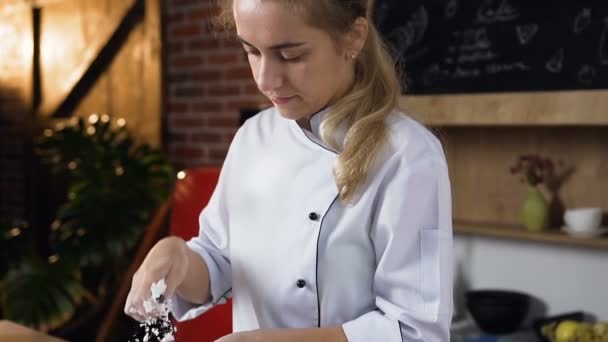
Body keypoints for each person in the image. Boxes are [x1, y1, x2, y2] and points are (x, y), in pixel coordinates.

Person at [125, 0, 454, 341]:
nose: (266, 80)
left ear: (353, 38)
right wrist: (176, 255)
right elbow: (218, 263)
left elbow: (416, 332)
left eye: (291, 55)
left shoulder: (407, 154)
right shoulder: (253, 137)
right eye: (251, 51)